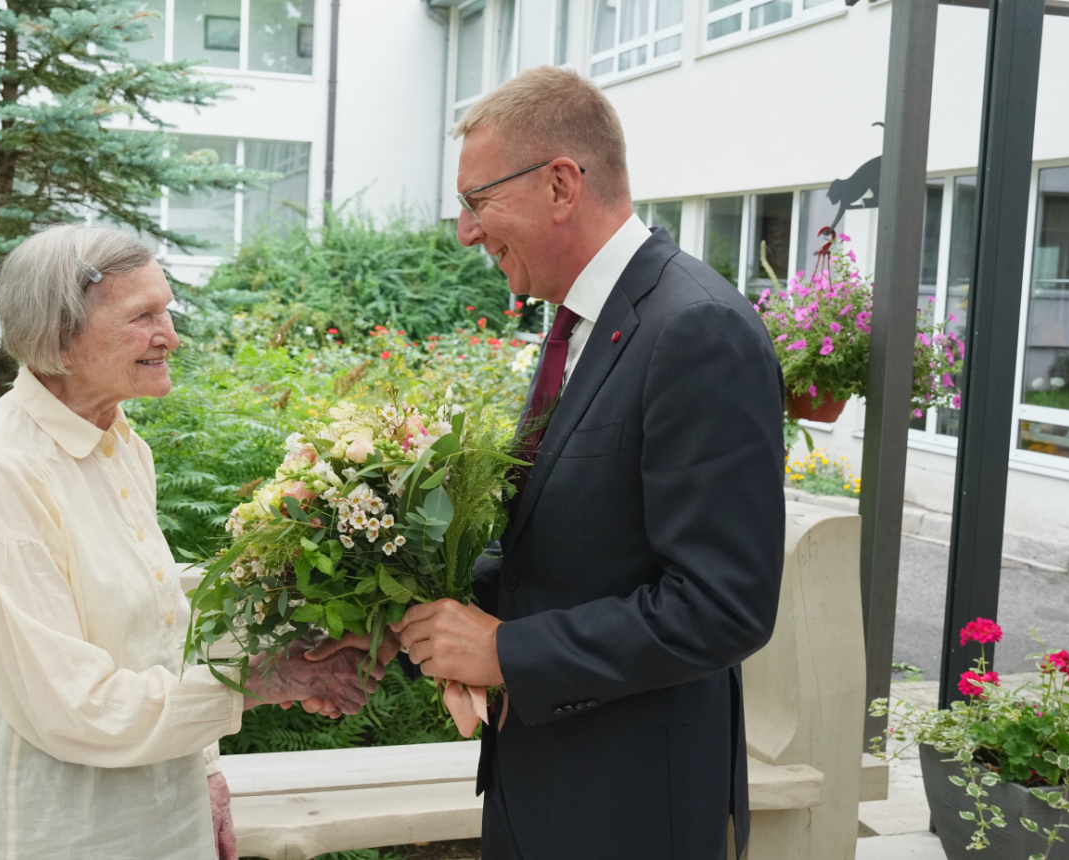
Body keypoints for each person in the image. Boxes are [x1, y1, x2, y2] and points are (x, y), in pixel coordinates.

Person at [318, 66, 786, 858]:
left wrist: (506, 652)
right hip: (540, 785)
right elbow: (567, 548)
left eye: (477, 200)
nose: (466, 231)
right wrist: (414, 611)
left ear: (562, 184)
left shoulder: (695, 330)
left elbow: (722, 606)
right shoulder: (584, 321)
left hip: (630, 807)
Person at [0, 224, 376, 860]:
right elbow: (71, 705)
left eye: (167, 312)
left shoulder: (120, 443)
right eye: (142, 316)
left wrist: (206, 768)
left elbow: (156, 620)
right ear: (60, 338)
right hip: (56, 828)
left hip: (158, 807)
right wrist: (264, 679)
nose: (170, 337)